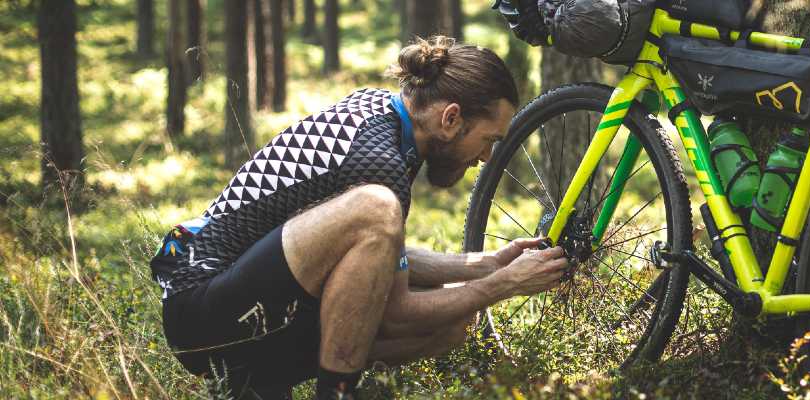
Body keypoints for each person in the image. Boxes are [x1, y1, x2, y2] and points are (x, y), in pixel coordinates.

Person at [149, 36, 567, 399]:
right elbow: (397, 312)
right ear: (451, 118)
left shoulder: (383, 116)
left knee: (451, 322)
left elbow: (375, 256)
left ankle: (261, 381)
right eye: (488, 140)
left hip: (240, 300)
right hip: (201, 315)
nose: (486, 157)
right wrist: (503, 285)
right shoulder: (380, 166)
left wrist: (485, 264)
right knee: (378, 209)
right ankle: (338, 393)